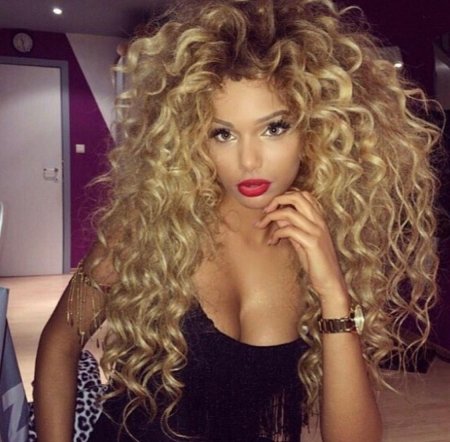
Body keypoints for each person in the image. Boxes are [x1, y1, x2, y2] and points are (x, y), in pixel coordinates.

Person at [32, 0, 441, 441]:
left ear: (315, 127)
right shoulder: (148, 227)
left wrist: (333, 294)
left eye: (274, 128)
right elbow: (60, 341)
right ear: (193, 136)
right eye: (222, 133)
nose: (248, 161)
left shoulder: (328, 244)